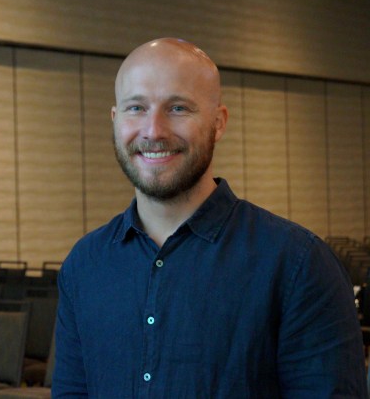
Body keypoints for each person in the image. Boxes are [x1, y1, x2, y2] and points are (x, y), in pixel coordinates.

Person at [52, 38, 367, 398]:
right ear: (115, 120)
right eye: (136, 108)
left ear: (218, 123)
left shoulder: (297, 264)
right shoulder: (85, 264)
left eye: (178, 108)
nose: (153, 130)